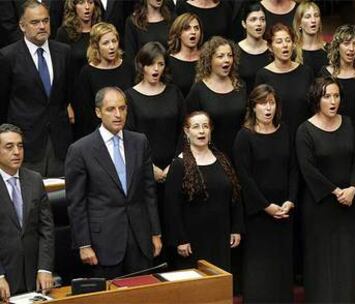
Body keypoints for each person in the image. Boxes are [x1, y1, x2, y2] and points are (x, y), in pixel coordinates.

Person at [66, 87, 162, 279]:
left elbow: (148, 192)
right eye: (111, 109)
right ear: (98, 112)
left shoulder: (139, 142)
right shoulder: (80, 150)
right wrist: (84, 244)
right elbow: (76, 203)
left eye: (122, 108)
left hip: (140, 238)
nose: (118, 115)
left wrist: (155, 232)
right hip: (103, 242)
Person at [296, 76, 355, 302]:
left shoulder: (349, 124)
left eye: (336, 96)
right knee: (321, 262)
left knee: (347, 260)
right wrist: (336, 192)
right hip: (320, 205)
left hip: (347, 204)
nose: (333, 101)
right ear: (317, 99)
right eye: (327, 96)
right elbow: (308, 169)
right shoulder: (305, 130)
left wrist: (352, 188)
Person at [234, 84, 297, 303]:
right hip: (259, 214)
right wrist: (265, 206)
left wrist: (290, 200)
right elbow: (244, 178)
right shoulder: (245, 136)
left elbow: (293, 168)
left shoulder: (285, 131)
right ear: (253, 106)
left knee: (282, 266)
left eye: (271, 103)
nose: (268, 108)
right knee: (260, 268)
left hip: (284, 211)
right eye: (263, 103)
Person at [0, 0, 72, 177]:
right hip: (26, 144)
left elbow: (69, 95)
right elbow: (2, 102)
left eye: (45, 21)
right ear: (22, 26)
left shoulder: (64, 52)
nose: (42, 26)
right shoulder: (8, 56)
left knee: (62, 197)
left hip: (59, 142)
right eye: (35, 22)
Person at [164, 111, 243, 271]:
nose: (201, 131)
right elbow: (171, 207)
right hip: (192, 242)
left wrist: (236, 228)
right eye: (196, 127)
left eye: (205, 126)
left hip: (220, 237)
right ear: (187, 131)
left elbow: (235, 196)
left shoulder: (222, 160)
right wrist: (180, 239)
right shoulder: (179, 165)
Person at [0, 123, 54, 300]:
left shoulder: (34, 179)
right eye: (9, 147)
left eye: (20, 146)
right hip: (4, 279)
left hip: (34, 278)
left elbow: (46, 229)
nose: (17, 152)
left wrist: (44, 268)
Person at [125, 41, 184, 185]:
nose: (156, 69)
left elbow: (184, 130)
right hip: (142, 171)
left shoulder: (174, 92)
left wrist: (175, 163)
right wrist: (149, 167)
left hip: (175, 169)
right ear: (141, 65)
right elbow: (128, 136)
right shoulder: (130, 97)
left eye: (161, 64)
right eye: (151, 64)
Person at [186, 36, 247, 160]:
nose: (227, 60)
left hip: (240, 154)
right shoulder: (199, 90)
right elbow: (188, 126)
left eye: (230, 55)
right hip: (211, 156)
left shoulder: (240, 86)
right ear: (209, 60)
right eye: (220, 56)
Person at [73, 22, 135, 139]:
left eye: (114, 41)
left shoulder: (128, 67)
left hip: (127, 132)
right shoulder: (87, 73)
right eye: (106, 43)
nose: (112, 47)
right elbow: (85, 114)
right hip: (98, 136)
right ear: (96, 46)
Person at [255, 23, 313, 132]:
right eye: (279, 42)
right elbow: (259, 112)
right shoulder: (263, 75)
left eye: (288, 40)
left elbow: (313, 107)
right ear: (270, 47)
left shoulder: (306, 72)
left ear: (293, 44)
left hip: (304, 134)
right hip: (276, 135)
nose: (285, 45)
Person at [56, 0, 102, 85]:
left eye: (90, 2)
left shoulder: (102, 30)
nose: (87, 7)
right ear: (73, 7)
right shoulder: (64, 33)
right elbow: (60, 68)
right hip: (75, 88)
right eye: (81, 3)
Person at [237, 1, 271, 95]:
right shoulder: (235, 51)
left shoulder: (272, 49)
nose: (259, 23)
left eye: (262, 19)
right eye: (253, 19)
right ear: (244, 24)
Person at [168, 13, 202, 97]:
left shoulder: (207, 60)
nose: (193, 32)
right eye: (187, 28)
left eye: (196, 28)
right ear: (178, 33)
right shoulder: (169, 62)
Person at [293, 1, 328, 77]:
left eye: (316, 15)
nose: (313, 20)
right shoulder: (292, 52)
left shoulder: (330, 50)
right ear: (299, 23)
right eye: (308, 17)